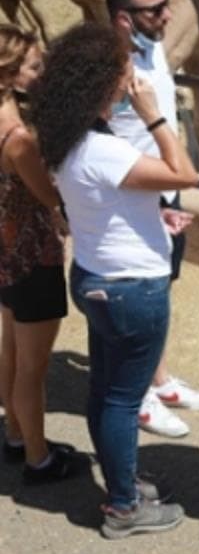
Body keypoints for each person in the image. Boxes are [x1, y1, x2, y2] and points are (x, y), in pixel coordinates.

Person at [31, 22, 198, 538]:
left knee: (107, 391)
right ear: (103, 84)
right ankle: (124, 507)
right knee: (123, 399)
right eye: (126, 74)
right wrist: (155, 117)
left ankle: (121, 482)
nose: (134, 82)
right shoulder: (106, 151)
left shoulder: (67, 141)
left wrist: (155, 216)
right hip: (133, 288)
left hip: (96, 276)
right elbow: (184, 173)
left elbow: (107, 199)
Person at [105, 0, 199, 439]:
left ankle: (159, 379)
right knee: (135, 300)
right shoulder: (110, 66)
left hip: (165, 190)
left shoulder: (151, 51)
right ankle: (138, 398)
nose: (168, 14)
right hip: (132, 194)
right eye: (154, 10)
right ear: (124, 19)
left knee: (162, 287)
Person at [0, 24, 79, 484]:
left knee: (11, 350)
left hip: (6, 252)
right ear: (9, 74)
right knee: (34, 366)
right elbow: (48, 196)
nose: (41, 72)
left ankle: (15, 433)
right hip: (33, 254)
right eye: (33, 65)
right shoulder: (18, 140)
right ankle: (38, 456)